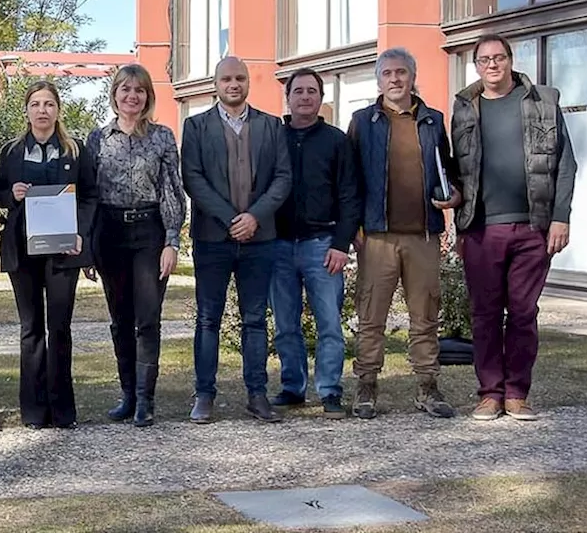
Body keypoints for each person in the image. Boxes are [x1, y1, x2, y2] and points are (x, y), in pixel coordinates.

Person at [452, 34, 577, 422]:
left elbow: (565, 165)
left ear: (510, 60)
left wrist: (560, 217)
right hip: (481, 230)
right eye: (485, 59)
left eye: (499, 57)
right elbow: (458, 169)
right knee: (485, 314)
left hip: (532, 227)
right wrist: (452, 203)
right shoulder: (463, 108)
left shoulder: (543, 102)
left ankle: (517, 393)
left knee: (523, 313)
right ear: (476, 66)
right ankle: (490, 394)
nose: (492, 65)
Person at [348, 47, 460, 420]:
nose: (395, 79)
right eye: (387, 74)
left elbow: (449, 170)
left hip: (423, 235)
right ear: (378, 81)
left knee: (425, 314)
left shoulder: (432, 120)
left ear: (412, 77)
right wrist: (354, 228)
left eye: (401, 73)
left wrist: (453, 195)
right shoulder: (363, 121)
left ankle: (428, 387)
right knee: (371, 315)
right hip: (377, 235)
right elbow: (350, 181)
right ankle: (366, 387)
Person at [179, 56, 291, 424]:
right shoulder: (195, 126)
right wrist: (231, 219)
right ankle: (205, 394)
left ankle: (257, 394)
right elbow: (193, 179)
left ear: (248, 82)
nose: (234, 84)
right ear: (215, 84)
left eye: (240, 78)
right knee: (208, 319)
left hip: (260, 239)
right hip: (213, 238)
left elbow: (282, 178)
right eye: (226, 78)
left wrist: (254, 217)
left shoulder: (271, 126)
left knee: (255, 320)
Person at [0, 82, 98, 429]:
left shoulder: (75, 151)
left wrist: (80, 232)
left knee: (61, 328)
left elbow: (90, 197)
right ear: (27, 110)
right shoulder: (11, 151)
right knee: (31, 329)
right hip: (23, 252)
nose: (42, 110)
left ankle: (63, 411)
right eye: (35, 104)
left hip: (63, 252)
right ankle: (34, 412)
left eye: (49, 104)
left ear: (58, 109)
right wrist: (13, 194)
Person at [86, 63, 185, 427]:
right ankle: (127, 394)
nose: (132, 96)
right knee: (120, 320)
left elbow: (172, 191)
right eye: (125, 89)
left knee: (147, 318)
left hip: (149, 234)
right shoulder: (98, 139)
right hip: (109, 234)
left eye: (139, 90)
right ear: (114, 95)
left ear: (148, 96)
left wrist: (171, 240)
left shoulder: (161, 137)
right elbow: (90, 195)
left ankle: (146, 398)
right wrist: (88, 247)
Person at [268, 68, 360, 420]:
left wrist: (341, 244)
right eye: (299, 91)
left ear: (321, 98)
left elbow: (350, 196)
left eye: (312, 91)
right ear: (287, 97)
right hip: (278, 245)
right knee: (285, 324)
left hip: (323, 245)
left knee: (329, 324)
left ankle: (330, 390)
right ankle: (292, 387)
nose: (305, 97)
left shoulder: (337, 141)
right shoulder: (273, 138)